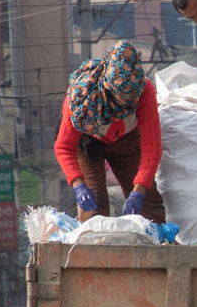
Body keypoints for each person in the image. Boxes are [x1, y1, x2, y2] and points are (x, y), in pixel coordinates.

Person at [54, 40, 165, 224]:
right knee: (94, 206)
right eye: (124, 100)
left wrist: (139, 190)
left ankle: (160, 247)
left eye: (133, 99)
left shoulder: (144, 91)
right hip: (89, 144)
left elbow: (152, 148)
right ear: (108, 89)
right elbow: (63, 147)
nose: (130, 104)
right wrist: (78, 185)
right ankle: (94, 249)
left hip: (127, 140)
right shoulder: (80, 99)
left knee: (149, 203)